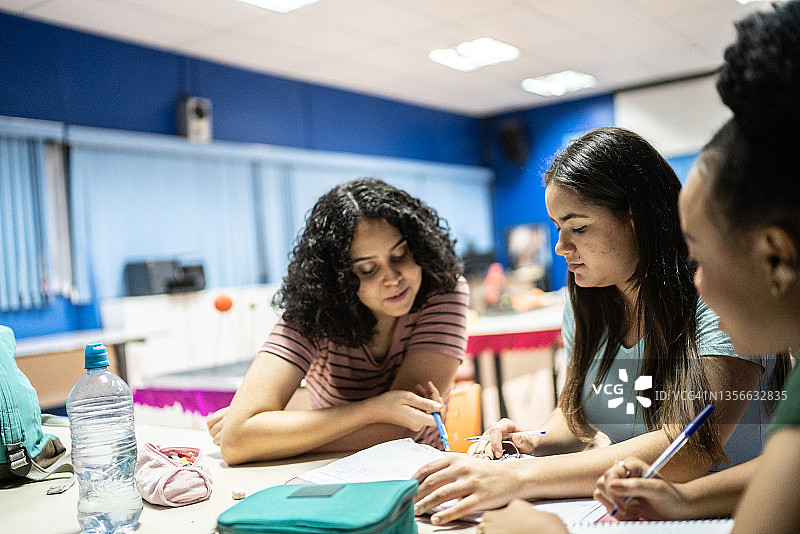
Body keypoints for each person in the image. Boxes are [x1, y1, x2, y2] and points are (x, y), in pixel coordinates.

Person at [480, 2, 800, 531]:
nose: (697, 279)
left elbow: (705, 450)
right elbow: (783, 470)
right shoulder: (586, 302)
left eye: (701, 253)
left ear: (778, 254)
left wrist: (531, 503)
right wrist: (683, 501)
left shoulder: (714, 315)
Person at [413, 126, 784, 525]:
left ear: (636, 220)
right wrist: (530, 442)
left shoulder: (714, 296)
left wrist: (518, 477)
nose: (561, 247)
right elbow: (577, 417)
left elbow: (691, 447)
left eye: (579, 227)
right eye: (558, 227)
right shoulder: (587, 302)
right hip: (636, 511)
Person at [207, 177, 470, 464]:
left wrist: (275, 437)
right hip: (330, 476)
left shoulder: (443, 291)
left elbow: (398, 428)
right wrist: (374, 409)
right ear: (339, 279)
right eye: (368, 269)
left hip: (419, 474)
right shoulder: (315, 308)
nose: (393, 278)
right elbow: (236, 442)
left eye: (401, 254)